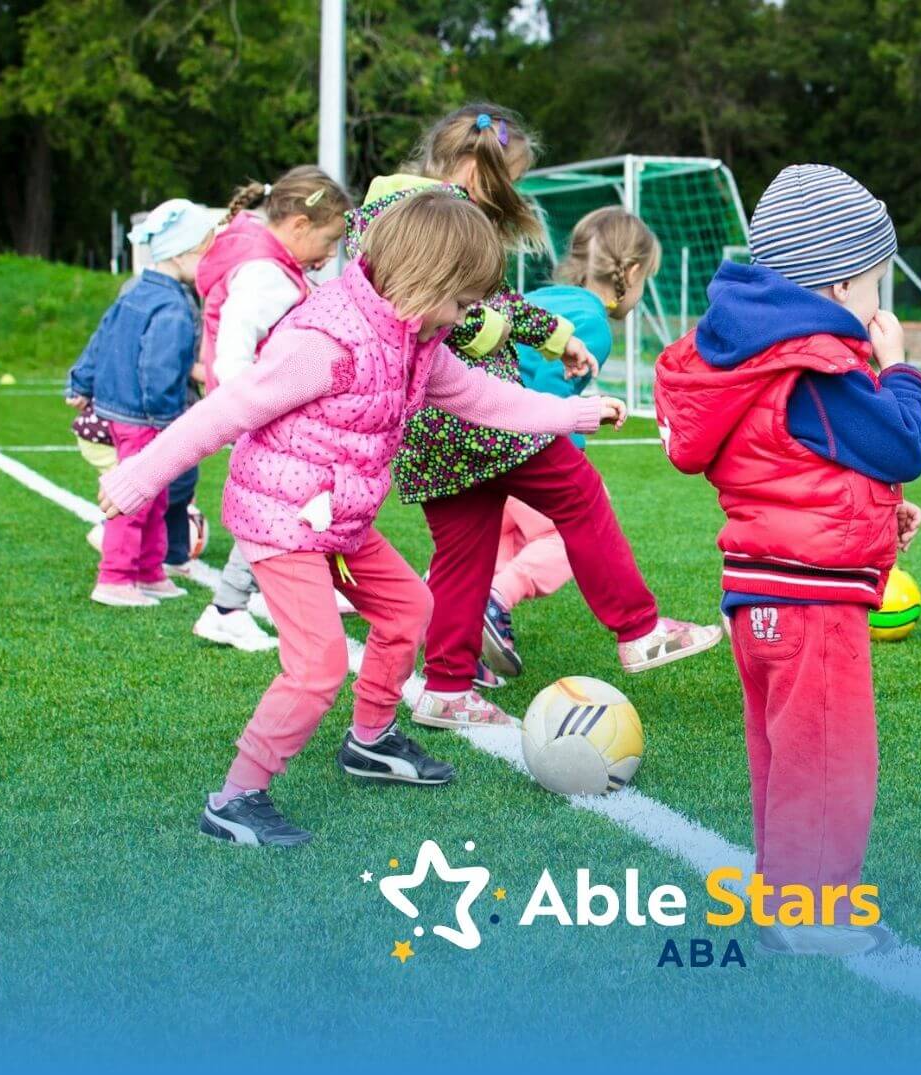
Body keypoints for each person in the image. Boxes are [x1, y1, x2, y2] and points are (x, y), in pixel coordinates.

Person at [97, 191, 627, 846]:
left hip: (338, 519)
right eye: (463, 303)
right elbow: (226, 411)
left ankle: (370, 740)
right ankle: (236, 797)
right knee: (318, 664)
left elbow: (480, 396)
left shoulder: (417, 337)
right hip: (282, 519)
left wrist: (574, 412)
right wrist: (138, 477)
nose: (469, 318)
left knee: (410, 608)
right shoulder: (325, 341)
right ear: (425, 281)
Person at [351, 103, 722, 730]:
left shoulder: (394, 207)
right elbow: (450, 313)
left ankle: (445, 688)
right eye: (508, 181)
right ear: (474, 168)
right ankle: (638, 629)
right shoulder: (428, 216)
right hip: (477, 415)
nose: (510, 196)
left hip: (429, 429)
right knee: (579, 496)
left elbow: (490, 299)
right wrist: (510, 339)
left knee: (464, 554)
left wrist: (556, 337)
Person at [654, 164, 921, 958]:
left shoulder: (756, 356)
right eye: (878, 283)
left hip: (762, 591)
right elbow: (902, 441)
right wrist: (901, 368)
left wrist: (878, 514)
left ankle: (788, 886)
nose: (881, 303)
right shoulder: (815, 364)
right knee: (827, 757)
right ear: (842, 282)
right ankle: (813, 916)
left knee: (786, 753)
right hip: (811, 604)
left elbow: (794, 465)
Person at [481, 206, 661, 682]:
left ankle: (453, 619)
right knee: (569, 531)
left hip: (477, 441)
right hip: (521, 445)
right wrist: (572, 441)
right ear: (633, 272)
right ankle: (496, 600)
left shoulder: (543, 297)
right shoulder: (594, 324)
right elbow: (546, 392)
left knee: (497, 538)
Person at [192, 165, 353, 653]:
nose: (329, 258)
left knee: (294, 502)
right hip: (261, 413)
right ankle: (226, 608)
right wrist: (250, 410)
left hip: (261, 410)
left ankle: (252, 598)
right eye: (328, 241)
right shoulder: (266, 275)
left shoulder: (270, 262)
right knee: (280, 507)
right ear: (299, 226)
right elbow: (235, 351)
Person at [66, 199, 218, 607]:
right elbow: (159, 368)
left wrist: (80, 380)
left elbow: (101, 335)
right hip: (146, 417)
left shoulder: (136, 289)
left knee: (156, 494)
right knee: (136, 496)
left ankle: (149, 571)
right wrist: (169, 421)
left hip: (126, 410)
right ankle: (115, 577)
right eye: (207, 252)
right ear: (184, 253)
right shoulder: (172, 305)